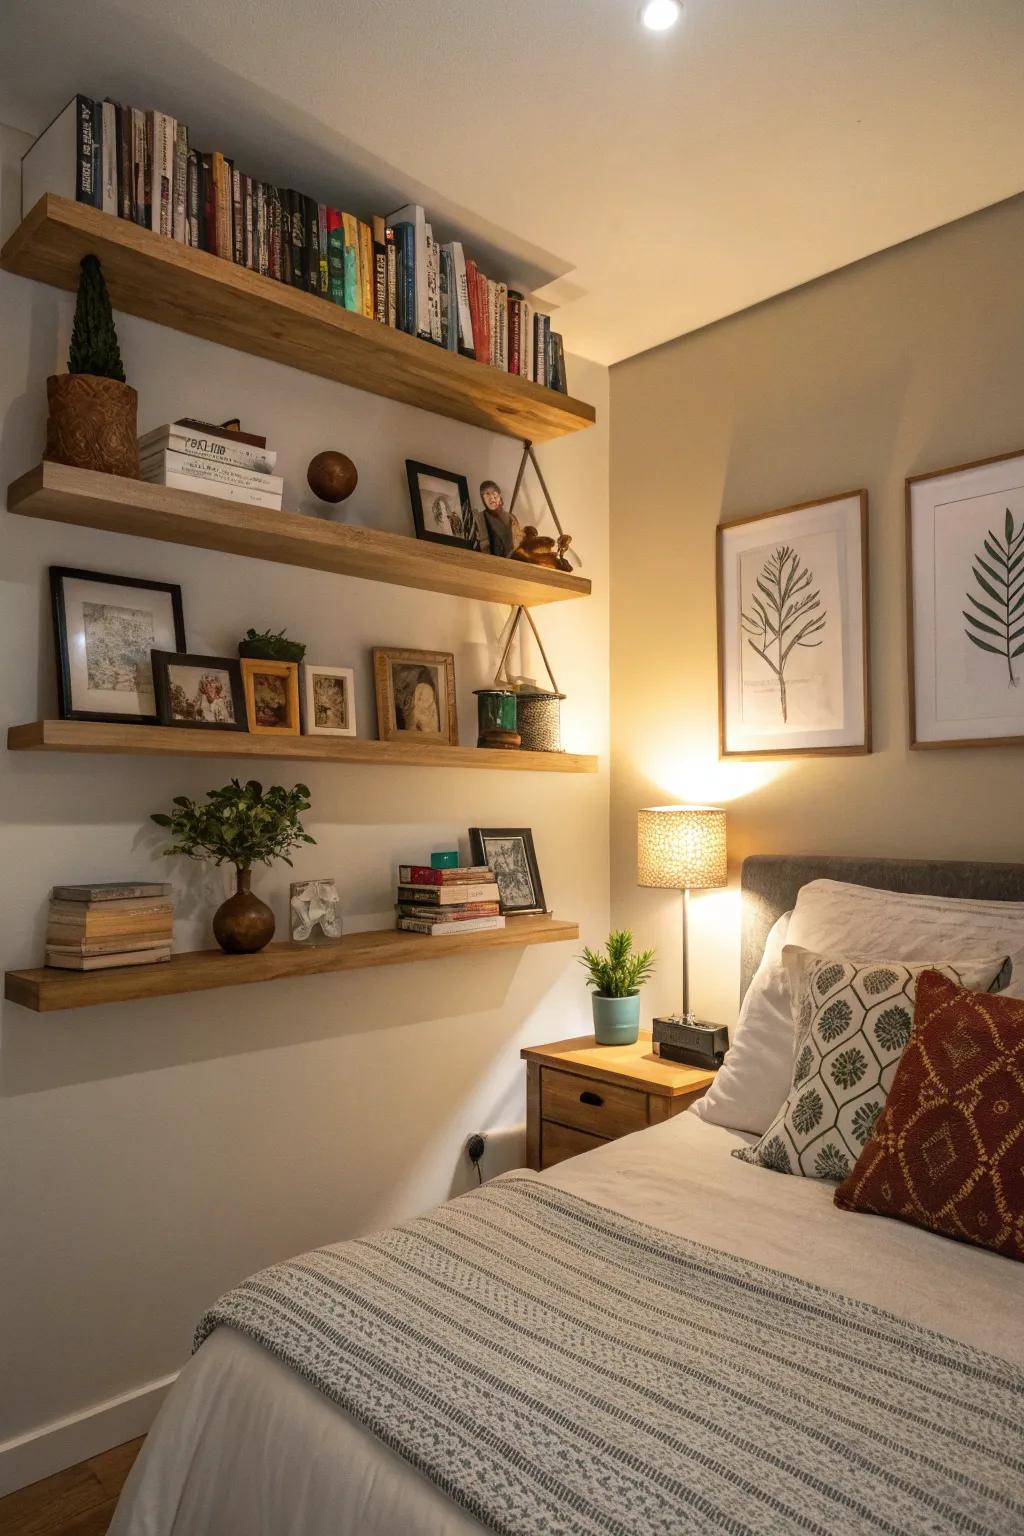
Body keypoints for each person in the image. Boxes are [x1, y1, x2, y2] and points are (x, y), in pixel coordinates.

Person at [480, 479, 522, 558]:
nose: (492, 498)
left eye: (494, 493)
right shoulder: (480, 518)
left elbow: (519, 542)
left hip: (513, 563)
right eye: (487, 494)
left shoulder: (511, 518)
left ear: (499, 495)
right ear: (483, 499)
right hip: (491, 564)